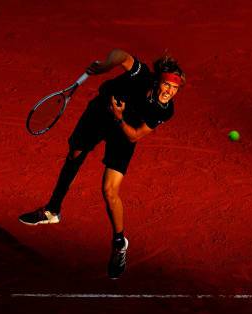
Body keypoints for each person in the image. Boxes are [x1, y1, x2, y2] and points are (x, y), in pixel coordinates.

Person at [19, 49, 185, 279]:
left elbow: (135, 135)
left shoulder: (164, 110)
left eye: (175, 88)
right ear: (158, 81)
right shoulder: (141, 75)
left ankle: (119, 244)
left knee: (109, 190)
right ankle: (52, 210)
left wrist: (119, 116)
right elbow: (120, 55)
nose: (170, 92)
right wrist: (106, 66)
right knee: (75, 155)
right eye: (167, 85)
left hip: (123, 129)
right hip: (98, 114)